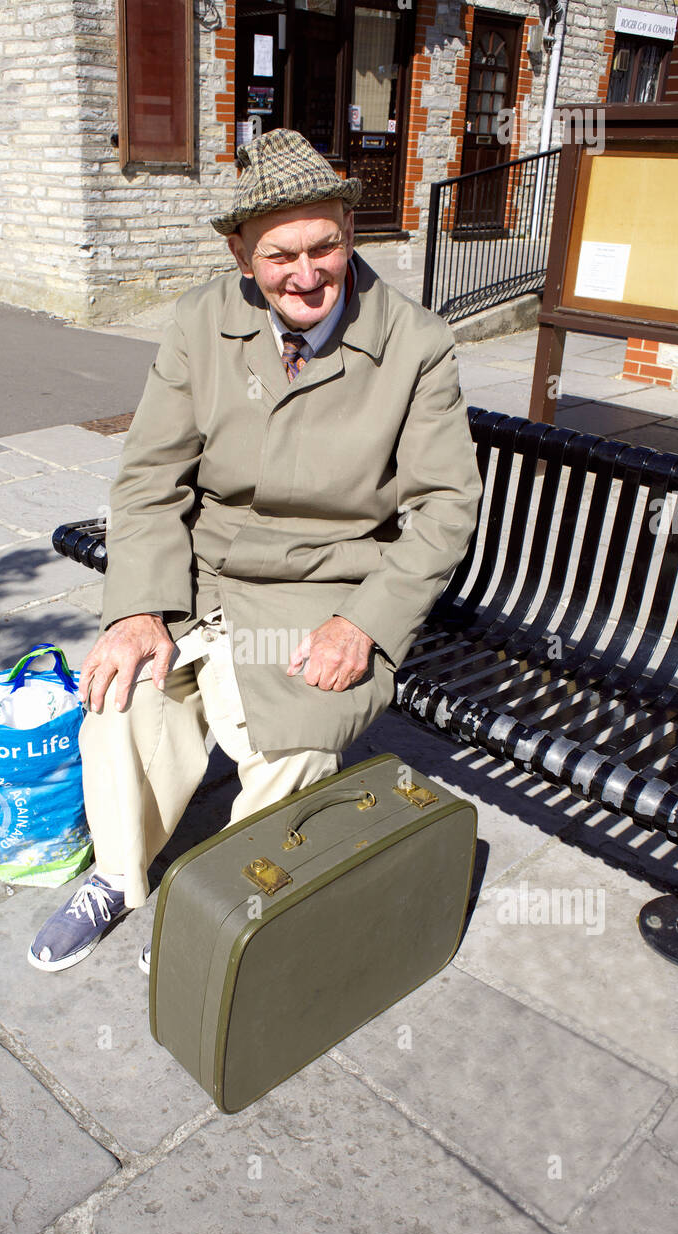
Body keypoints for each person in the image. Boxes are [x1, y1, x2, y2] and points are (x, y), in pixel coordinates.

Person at [28, 128, 482, 973]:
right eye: (280, 255)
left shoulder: (415, 344)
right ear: (241, 254)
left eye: (326, 246)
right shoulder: (204, 320)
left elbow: (446, 507)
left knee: (296, 740)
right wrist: (135, 608)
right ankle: (118, 877)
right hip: (201, 573)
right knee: (122, 694)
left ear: (351, 232)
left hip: (327, 582)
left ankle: (225, 908)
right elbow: (152, 475)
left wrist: (365, 625)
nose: (307, 275)